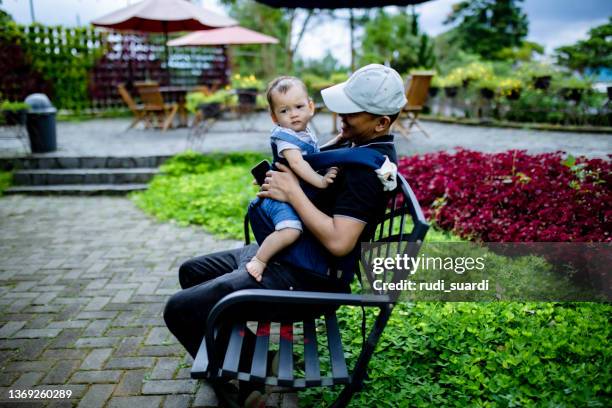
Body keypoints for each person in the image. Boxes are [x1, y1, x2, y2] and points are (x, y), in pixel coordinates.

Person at [163, 64, 407, 406]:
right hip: (293, 254)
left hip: (306, 277)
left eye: (352, 111)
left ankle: (249, 381)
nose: (342, 115)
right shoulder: (357, 146)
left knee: (178, 309)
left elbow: (340, 242)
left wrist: (291, 192)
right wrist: (283, 185)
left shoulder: (368, 174)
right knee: (191, 272)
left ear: (381, 123)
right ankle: (251, 364)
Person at [245, 76, 338, 283]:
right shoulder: (285, 138)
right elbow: (298, 164)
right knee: (291, 231)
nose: (294, 114)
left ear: (310, 106)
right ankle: (260, 260)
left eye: (298, 106)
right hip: (277, 199)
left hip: (288, 193)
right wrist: (321, 181)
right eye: (284, 111)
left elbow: (313, 154)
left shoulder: (303, 132)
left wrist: (337, 141)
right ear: (274, 117)